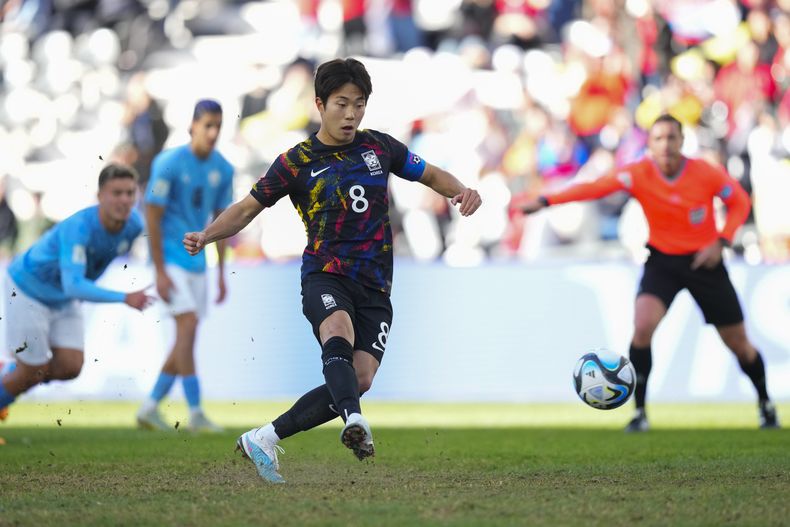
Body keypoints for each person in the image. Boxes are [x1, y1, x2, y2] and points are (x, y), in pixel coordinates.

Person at [183, 58, 482, 483]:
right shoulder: (296, 162)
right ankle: (354, 421)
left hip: (376, 286)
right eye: (342, 103)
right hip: (326, 273)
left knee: (359, 378)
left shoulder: (380, 147)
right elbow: (248, 208)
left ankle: (264, 437)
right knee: (336, 330)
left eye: (359, 104)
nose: (352, 113)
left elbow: (429, 173)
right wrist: (207, 235)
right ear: (320, 104)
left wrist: (462, 192)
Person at [520, 114, 780, 432]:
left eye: (672, 137)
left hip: (705, 263)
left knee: (739, 344)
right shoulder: (637, 173)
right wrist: (547, 200)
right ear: (650, 144)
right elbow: (593, 189)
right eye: (658, 139)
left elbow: (739, 202)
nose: (666, 145)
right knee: (642, 327)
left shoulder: (705, 172)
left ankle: (766, 404)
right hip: (663, 262)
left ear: (682, 141)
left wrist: (722, 240)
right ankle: (639, 412)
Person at [0, 164, 152, 419]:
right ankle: (11, 381)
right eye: (117, 193)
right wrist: (124, 298)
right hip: (28, 289)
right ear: (100, 195)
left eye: (130, 193)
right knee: (31, 371)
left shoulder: (134, 224)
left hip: (62, 297)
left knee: (70, 366)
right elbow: (75, 285)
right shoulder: (79, 227)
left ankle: (8, 375)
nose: (125, 200)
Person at [136, 99, 234, 433]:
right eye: (207, 125)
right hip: (170, 259)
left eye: (218, 125)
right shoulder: (169, 162)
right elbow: (152, 214)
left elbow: (222, 223)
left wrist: (221, 272)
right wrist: (159, 270)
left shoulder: (224, 168)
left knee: (186, 338)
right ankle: (195, 412)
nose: (213, 132)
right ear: (192, 125)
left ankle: (150, 407)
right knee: (188, 327)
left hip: (198, 264)